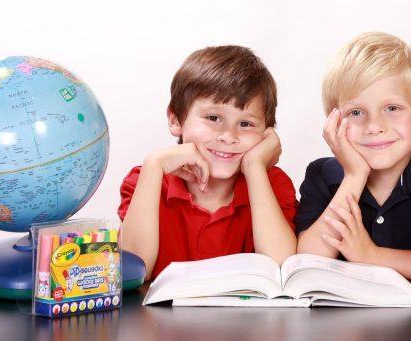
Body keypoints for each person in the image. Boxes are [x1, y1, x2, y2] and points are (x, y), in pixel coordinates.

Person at [119, 46, 297, 280]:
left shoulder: (271, 184)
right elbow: (133, 274)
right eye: (213, 118)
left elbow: (282, 269)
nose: (229, 136)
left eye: (246, 124)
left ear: (267, 133)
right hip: (162, 318)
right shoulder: (146, 180)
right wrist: (154, 165)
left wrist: (254, 167)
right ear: (175, 120)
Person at [296, 32, 411, 282]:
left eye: (392, 108)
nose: (374, 126)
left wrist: (372, 255)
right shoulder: (322, 175)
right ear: (333, 120)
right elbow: (307, 260)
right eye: (356, 112)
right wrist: (354, 175)